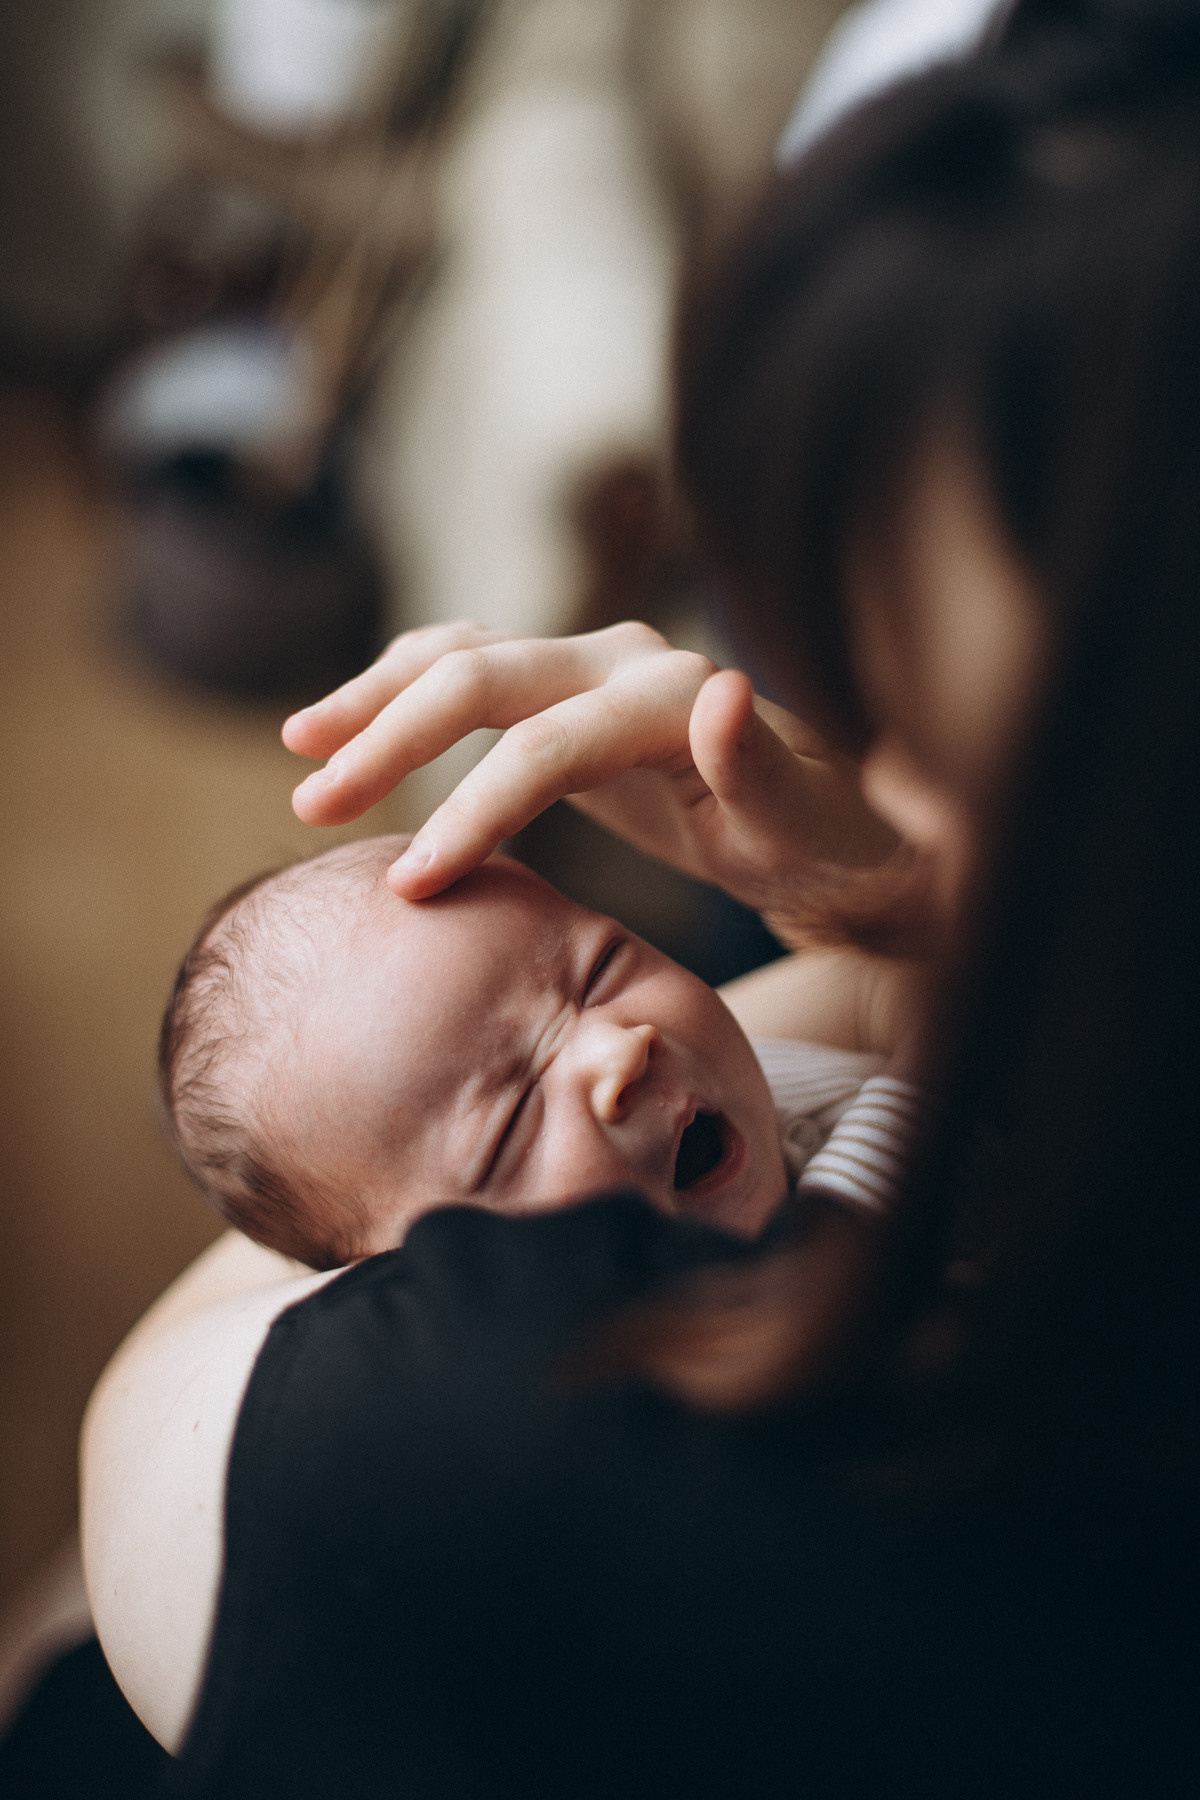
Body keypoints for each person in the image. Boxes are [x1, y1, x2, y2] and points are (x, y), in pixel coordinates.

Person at [82, 3, 1200, 1793]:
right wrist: (892, 908)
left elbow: (232, 1436)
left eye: (920, 705)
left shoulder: (558, 1450)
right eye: (507, 1105)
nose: (607, 1053)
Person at [160, 834, 919, 1268]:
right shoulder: (625, 1370)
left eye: (601, 971)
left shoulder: (757, 1080)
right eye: (513, 1119)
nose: (616, 1051)